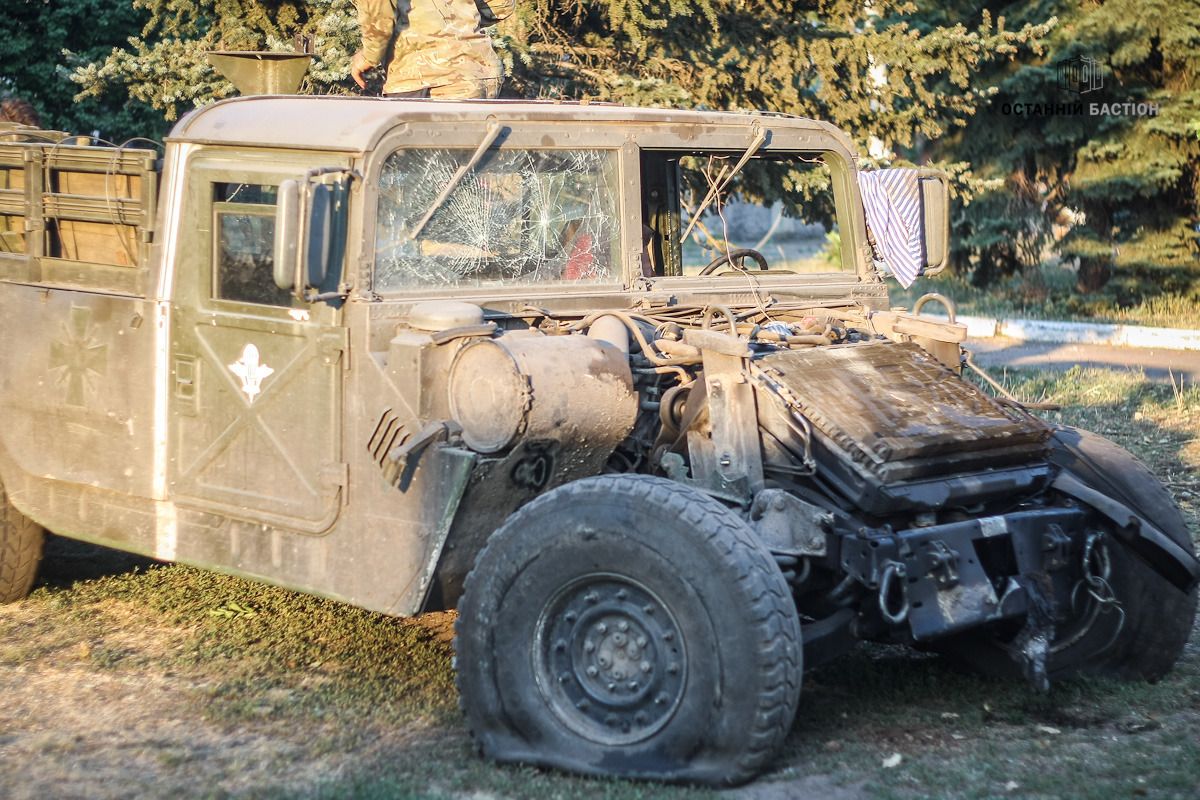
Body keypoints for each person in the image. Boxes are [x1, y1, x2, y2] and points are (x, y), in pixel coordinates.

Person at [350, 0, 503, 99]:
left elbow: (378, 18)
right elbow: (502, 4)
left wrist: (367, 58)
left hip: (429, 81)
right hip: (485, 72)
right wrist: (459, 25)